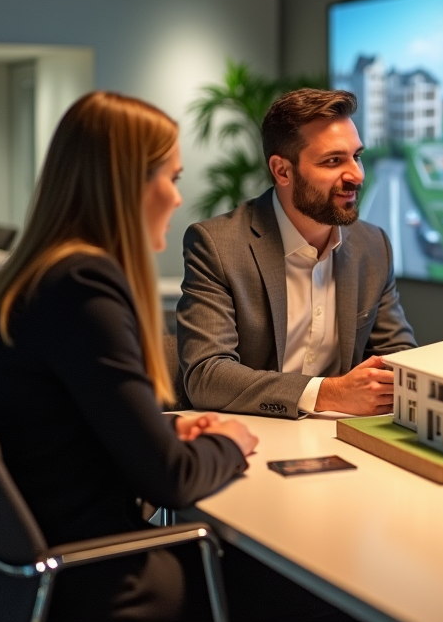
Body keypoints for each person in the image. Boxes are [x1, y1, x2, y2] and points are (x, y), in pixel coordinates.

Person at [0, 91, 258, 622]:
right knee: (281, 590)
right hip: (98, 580)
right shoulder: (84, 286)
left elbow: (59, 430)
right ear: (128, 181)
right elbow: (168, 481)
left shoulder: (35, 279)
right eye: (171, 179)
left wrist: (160, 432)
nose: (178, 199)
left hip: (17, 579)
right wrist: (230, 442)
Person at [178, 88, 416, 419]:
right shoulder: (218, 246)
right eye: (334, 161)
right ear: (282, 171)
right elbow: (207, 376)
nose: (356, 176)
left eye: (356, 156)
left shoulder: (373, 246)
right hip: (250, 436)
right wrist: (331, 393)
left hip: (342, 439)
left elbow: (398, 356)